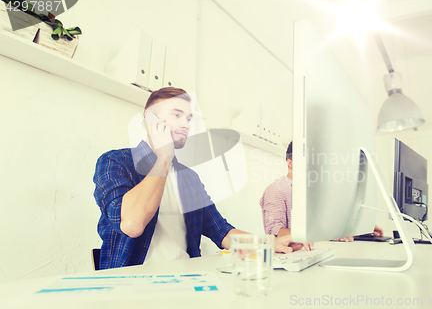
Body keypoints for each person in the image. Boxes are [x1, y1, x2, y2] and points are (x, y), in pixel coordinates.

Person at [93, 87, 303, 270]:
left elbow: (223, 232)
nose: (186, 124)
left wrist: (272, 244)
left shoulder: (189, 178)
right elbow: (132, 224)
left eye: (189, 118)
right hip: (131, 286)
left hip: (185, 282)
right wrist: (163, 158)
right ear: (151, 120)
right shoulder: (115, 162)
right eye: (177, 115)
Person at [260, 141, 383, 242]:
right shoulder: (276, 189)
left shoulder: (315, 192)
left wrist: (361, 230)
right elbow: (275, 231)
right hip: (294, 255)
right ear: (290, 163)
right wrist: (319, 237)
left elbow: (326, 229)